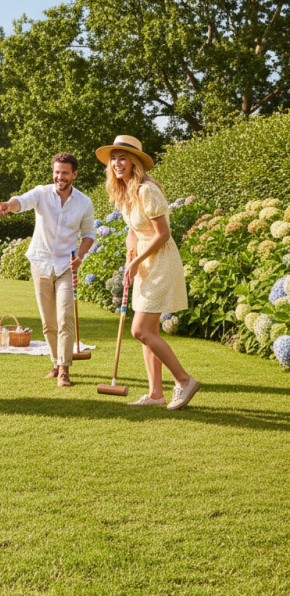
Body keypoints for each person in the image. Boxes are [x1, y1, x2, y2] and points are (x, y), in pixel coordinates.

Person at [95, 135, 198, 410]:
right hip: (144, 262)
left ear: (135, 162)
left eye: (123, 158)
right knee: (149, 330)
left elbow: (162, 234)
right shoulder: (125, 191)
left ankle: (184, 381)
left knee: (140, 330)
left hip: (161, 261)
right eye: (113, 158)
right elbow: (133, 230)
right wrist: (132, 259)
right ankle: (155, 394)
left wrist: (138, 259)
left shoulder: (146, 190)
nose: (117, 163)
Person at [0, 153, 95, 387]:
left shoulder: (84, 202)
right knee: (48, 322)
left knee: (64, 318)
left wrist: (80, 256)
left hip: (65, 266)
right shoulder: (41, 193)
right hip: (40, 263)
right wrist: (9, 206)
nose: (59, 177)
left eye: (65, 173)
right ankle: (55, 362)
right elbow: (22, 201)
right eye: (57, 172)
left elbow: (89, 234)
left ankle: (64, 370)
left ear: (74, 174)